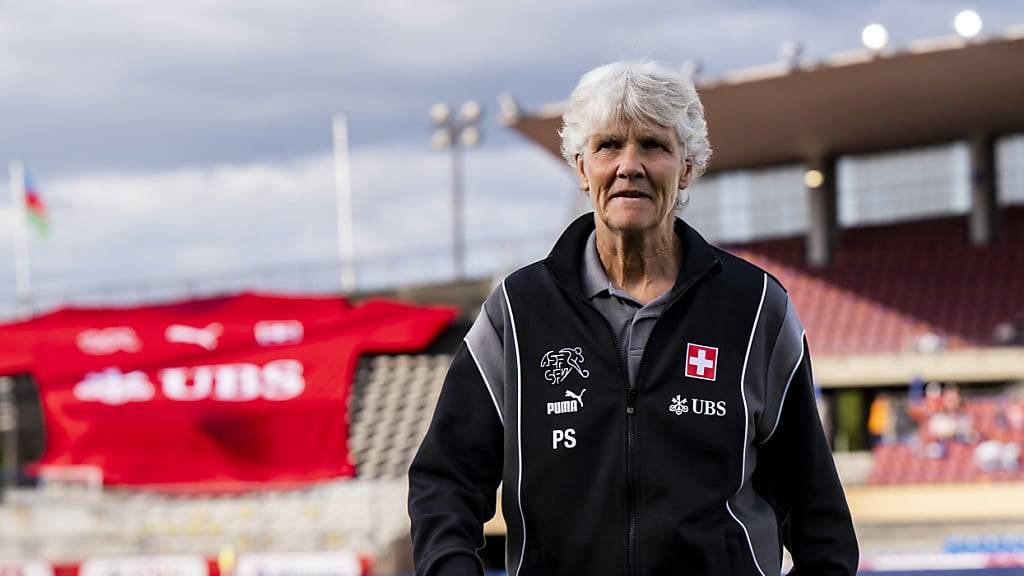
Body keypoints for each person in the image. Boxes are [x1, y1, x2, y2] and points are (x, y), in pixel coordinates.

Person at [408, 61, 858, 576]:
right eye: (607, 146)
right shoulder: (516, 311)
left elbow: (817, 510)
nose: (629, 165)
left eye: (653, 146)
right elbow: (445, 482)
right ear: (581, 167)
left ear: (687, 167)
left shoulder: (756, 308)